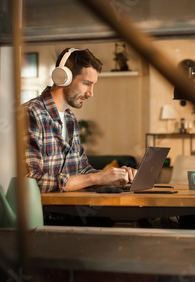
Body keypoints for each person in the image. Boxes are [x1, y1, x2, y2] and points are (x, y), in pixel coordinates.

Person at [25, 48, 137, 192]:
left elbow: (82, 169)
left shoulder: (70, 118)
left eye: (93, 85)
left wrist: (113, 177)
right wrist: (95, 179)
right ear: (62, 78)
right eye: (86, 83)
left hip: (70, 210)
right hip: (45, 213)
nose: (91, 93)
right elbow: (31, 181)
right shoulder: (32, 113)